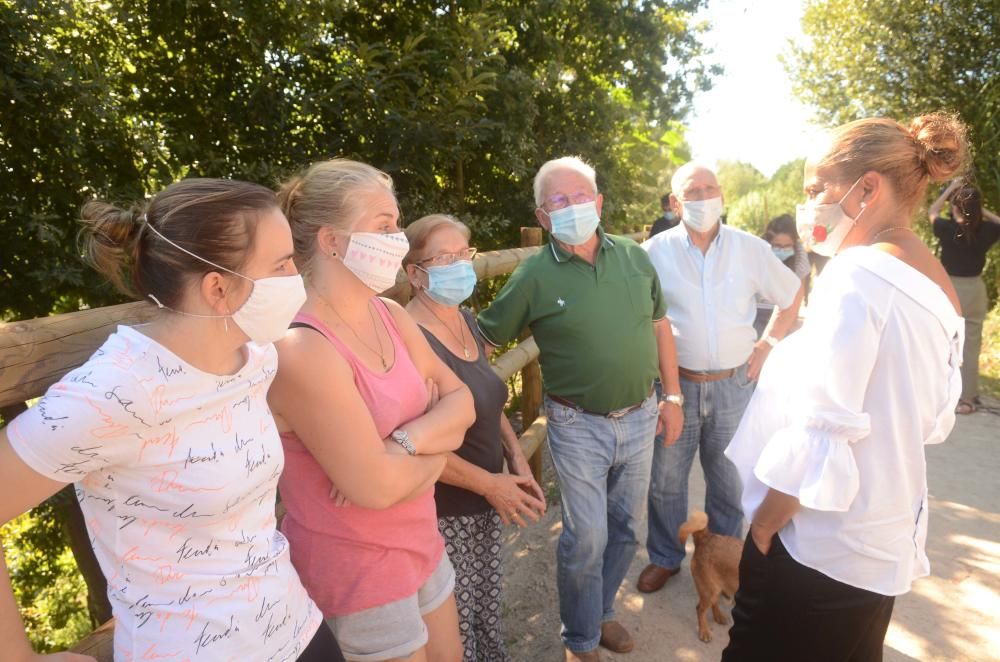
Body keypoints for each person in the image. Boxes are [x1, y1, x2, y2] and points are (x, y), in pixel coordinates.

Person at [0, 179, 340, 662]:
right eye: (281, 264)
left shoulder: (255, 357)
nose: (296, 274)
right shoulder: (113, 392)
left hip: (300, 630)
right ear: (218, 287)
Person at [723, 113, 968, 661]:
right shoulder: (937, 283)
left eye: (815, 189)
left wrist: (764, 526)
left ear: (868, 188)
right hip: (881, 543)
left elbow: (822, 425)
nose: (807, 203)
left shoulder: (858, 274)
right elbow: (934, 420)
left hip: (818, 544)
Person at [476, 156, 684, 662]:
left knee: (625, 529)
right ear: (543, 216)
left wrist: (673, 397)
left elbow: (659, 325)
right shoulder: (533, 276)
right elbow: (481, 338)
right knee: (586, 537)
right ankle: (579, 640)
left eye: (580, 196)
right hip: (577, 425)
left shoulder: (635, 257)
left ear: (599, 202)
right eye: (558, 201)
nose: (572, 207)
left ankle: (600, 614)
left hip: (641, 416)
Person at [271, 159, 475, 662]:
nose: (399, 239)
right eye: (384, 226)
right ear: (331, 241)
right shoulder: (301, 346)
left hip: (421, 543)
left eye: (397, 225)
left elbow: (463, 403)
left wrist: (399, 446)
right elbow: (374, 488)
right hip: (357, 573)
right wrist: (432, 445)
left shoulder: (391, 314)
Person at [638, 162, 802, 595]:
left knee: (730, 481)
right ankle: (665, 557)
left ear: (722, 195)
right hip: (675, 386)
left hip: (734, 385)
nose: (704, 197)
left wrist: (767, 345)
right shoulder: (652, 253)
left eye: (711, 188)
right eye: (693, 191)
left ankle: (727, 558)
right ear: (675, 203)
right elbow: (638, 318)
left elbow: (792, 294)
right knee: (666, 480)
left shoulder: (750, 249)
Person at [402, 214, 547, 662]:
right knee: (453, 629)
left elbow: (486, 396)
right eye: (441, 257)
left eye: (462, 255)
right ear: (414, 272)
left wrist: (517, 463)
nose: (457, 265)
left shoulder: (465, 319)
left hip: (484, 503)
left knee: (483, 614)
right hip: (443, 514)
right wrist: (490, 484)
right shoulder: (409, 337)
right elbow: (411, 443)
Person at [928, 179, 1000, 414]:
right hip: (976, 289)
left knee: (943, 342)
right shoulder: (987, 230)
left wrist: (950, 190)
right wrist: (977, 209)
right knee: (971, 345)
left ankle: (940, 394)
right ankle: (968, 399)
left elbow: (932, 211)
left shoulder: (947, 229)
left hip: (950, 290)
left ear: (955, 207)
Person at [754, 214, 810, 338]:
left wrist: (792, 319)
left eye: (787, 246)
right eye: (777, 246)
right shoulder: (757, 250)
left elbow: (799, 289)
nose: (782, 250)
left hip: (785, 309)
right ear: (769, 242)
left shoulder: (799, 254)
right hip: (757, 310)